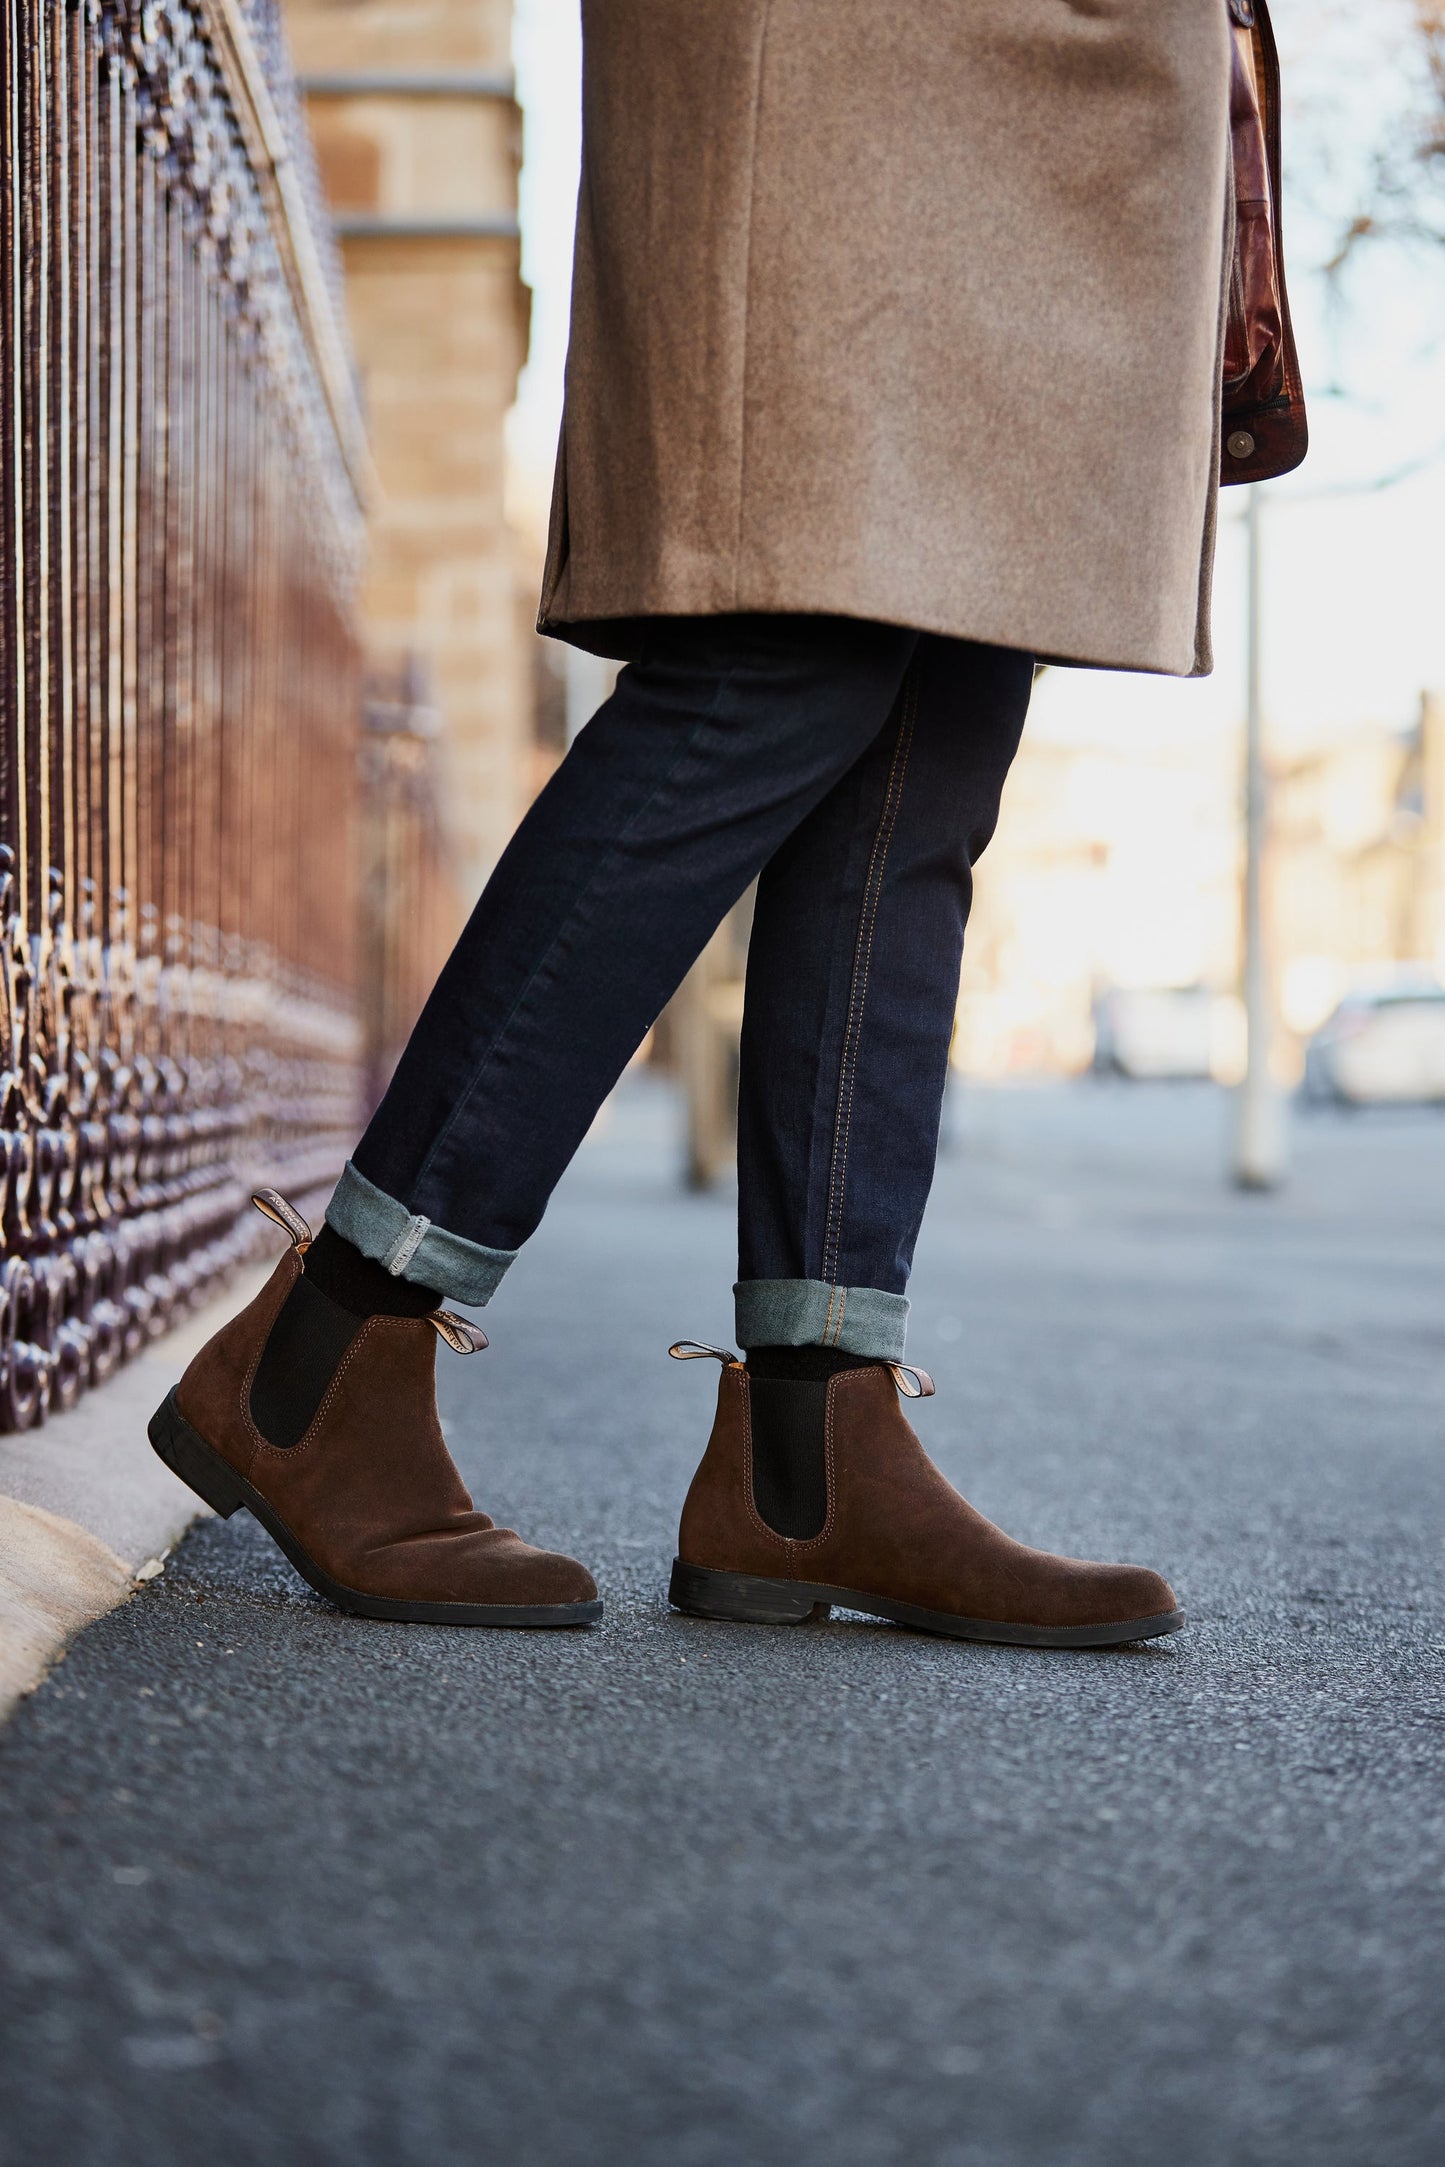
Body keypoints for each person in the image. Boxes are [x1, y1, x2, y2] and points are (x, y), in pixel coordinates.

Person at [150, 0, 1236, 1646]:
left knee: (946, 697)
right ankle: (327, 1346)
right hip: (857, 49)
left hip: (1076, 66)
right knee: (778, 647)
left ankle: (808, 1459)